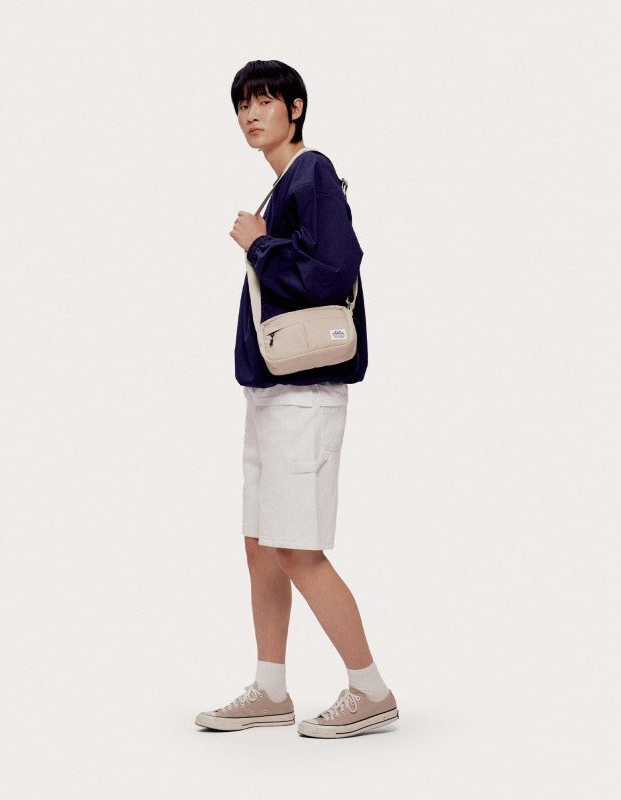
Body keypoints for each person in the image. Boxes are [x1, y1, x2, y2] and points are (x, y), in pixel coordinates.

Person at [194, 60, 398, 738]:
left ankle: (370, 689)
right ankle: (271, 688)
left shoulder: (312, 174)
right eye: (242, 105)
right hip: (274, 392)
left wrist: (261, 246)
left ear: (296, 107)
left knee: (296, 548)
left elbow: (334, 272)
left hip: (304, 396)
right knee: (261, 543)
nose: (251, 114)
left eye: (264, 101)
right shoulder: (286, 182)